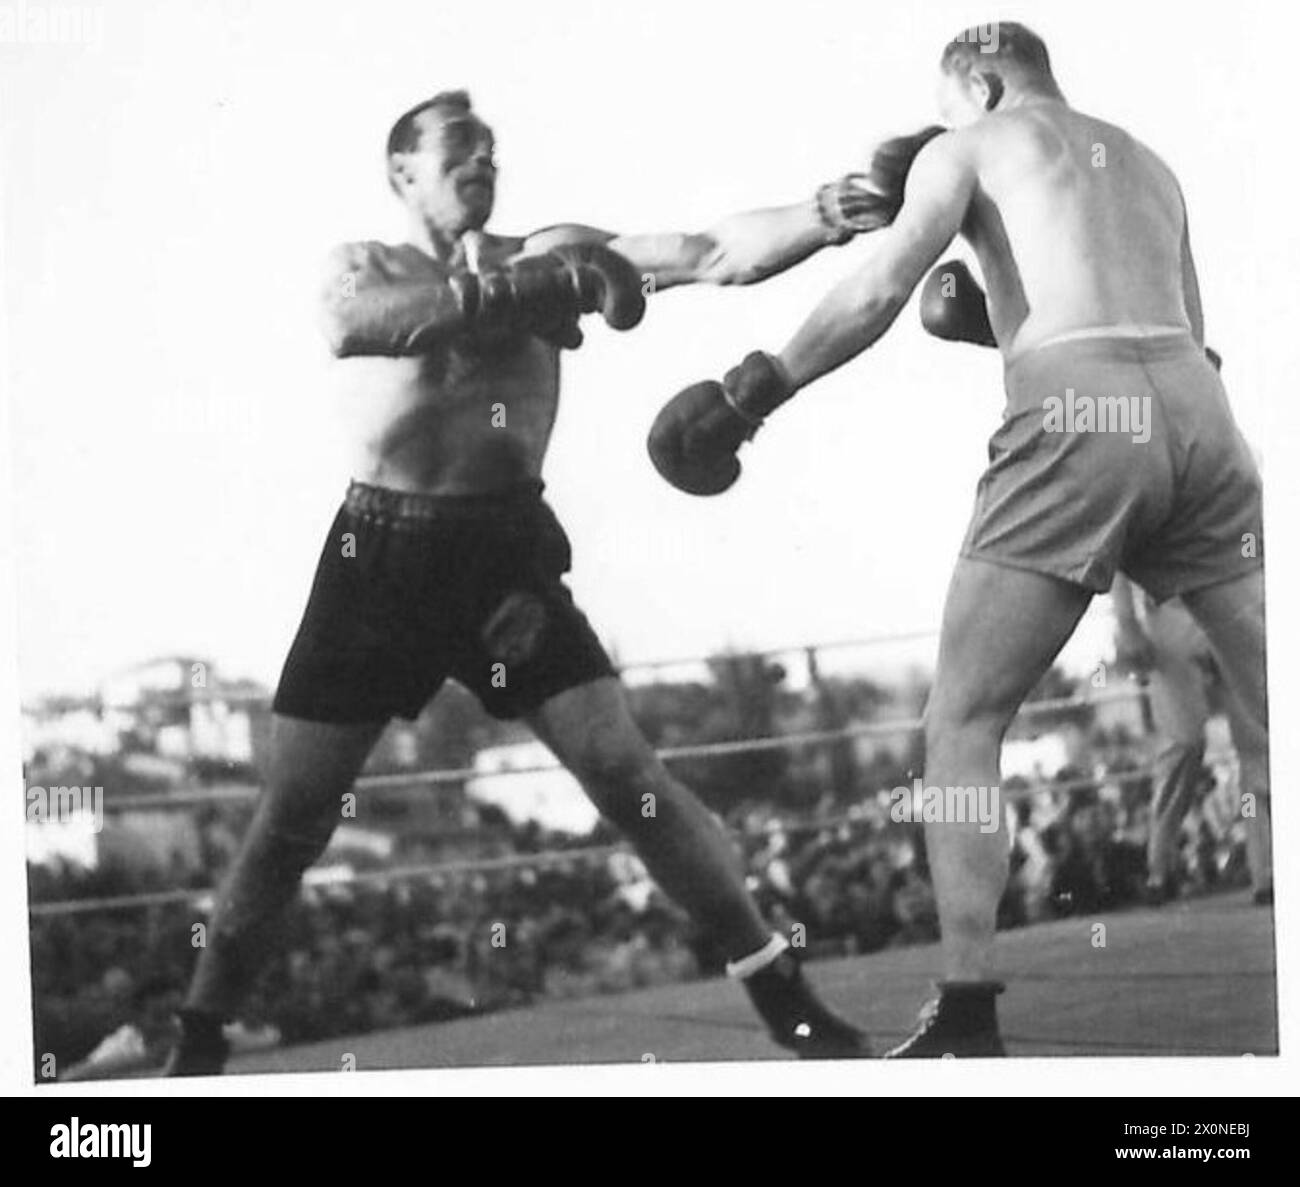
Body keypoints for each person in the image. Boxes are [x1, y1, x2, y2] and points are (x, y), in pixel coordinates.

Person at [165, 89, 939, 1074]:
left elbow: (707, 251)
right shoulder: (370, 265)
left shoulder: (556, 249)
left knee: (624, 773)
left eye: (490, 146)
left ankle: (780, 992)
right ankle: (198, 1038)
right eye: (458, 149)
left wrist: (836, 209)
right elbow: (355, 323)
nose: (482, 160)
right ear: (402, 172)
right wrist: (514, 298)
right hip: (376, 558)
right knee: (291, 819)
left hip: (500, 556)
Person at [648, 23, 1267, 1057]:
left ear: (976, 84)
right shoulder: (1147, 163)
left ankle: (969, 1009)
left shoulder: (968, 144)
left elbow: (880, 288)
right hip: (1202, 416)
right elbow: (1186, 334)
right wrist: (1005, 323)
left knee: (964, 719)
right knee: (1273, 700)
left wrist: (754, 390)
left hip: (1077, 409)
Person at [1112, 574, 1273, 905]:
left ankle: (1268, 872)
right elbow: (1118, 557)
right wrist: (1126, 622)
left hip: (1233, 597)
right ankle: (1160, 865)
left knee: (1257, 741)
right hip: (1170, 608)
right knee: (1183, 742)